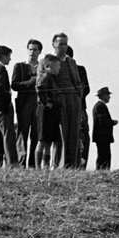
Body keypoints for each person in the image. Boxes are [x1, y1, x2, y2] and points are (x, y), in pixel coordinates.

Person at [49, 34, 84, 169]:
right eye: (60, 44)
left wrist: (77, 96)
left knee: (74, 133)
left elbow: (78, 82)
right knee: (60, 134)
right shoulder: (47, 60)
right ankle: (57, 165)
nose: (63, 47)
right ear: (53, 44)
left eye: (65, 44)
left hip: (73, 100)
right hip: (59, 100)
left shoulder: (71, 62)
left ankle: (72, 165)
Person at [11, 39, 43, 168]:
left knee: (36, 134)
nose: (32, 52)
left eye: (35, 49)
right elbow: (14, 85)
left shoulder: (43, 66)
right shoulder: (20, 66)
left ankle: (33, 163)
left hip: (38, 105)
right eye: (30, 49)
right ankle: (21, 163)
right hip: (24, 104)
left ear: (39, 51)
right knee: (22, 133)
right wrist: (30, 82)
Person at [35, 53, 62, 169]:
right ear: (49, 65)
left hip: (52, 110)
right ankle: (38, 166)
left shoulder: (53, 78)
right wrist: (45, 103)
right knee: (42, 139)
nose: (59, 67)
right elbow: (39, 88)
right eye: (57, 65)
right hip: (45, 111)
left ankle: (46, 166)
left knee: (49, 140)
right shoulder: (46, 76)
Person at [73, 49, 91, 168]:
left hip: (79, 107)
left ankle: (81, 164)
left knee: (83, 135)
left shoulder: (79, 69)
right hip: (76, 107)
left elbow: (86, 89)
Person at [92, 87, 117, 170]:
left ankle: (102, 170)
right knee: (104, 155)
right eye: (108, 95)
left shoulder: (99, 106)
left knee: (103, 154)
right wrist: (112, 122)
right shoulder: (100, 106)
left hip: (101, 137)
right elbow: (103, 121)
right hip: (102, 136)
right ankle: (102, 170)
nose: (109, 97)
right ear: (103, 96)